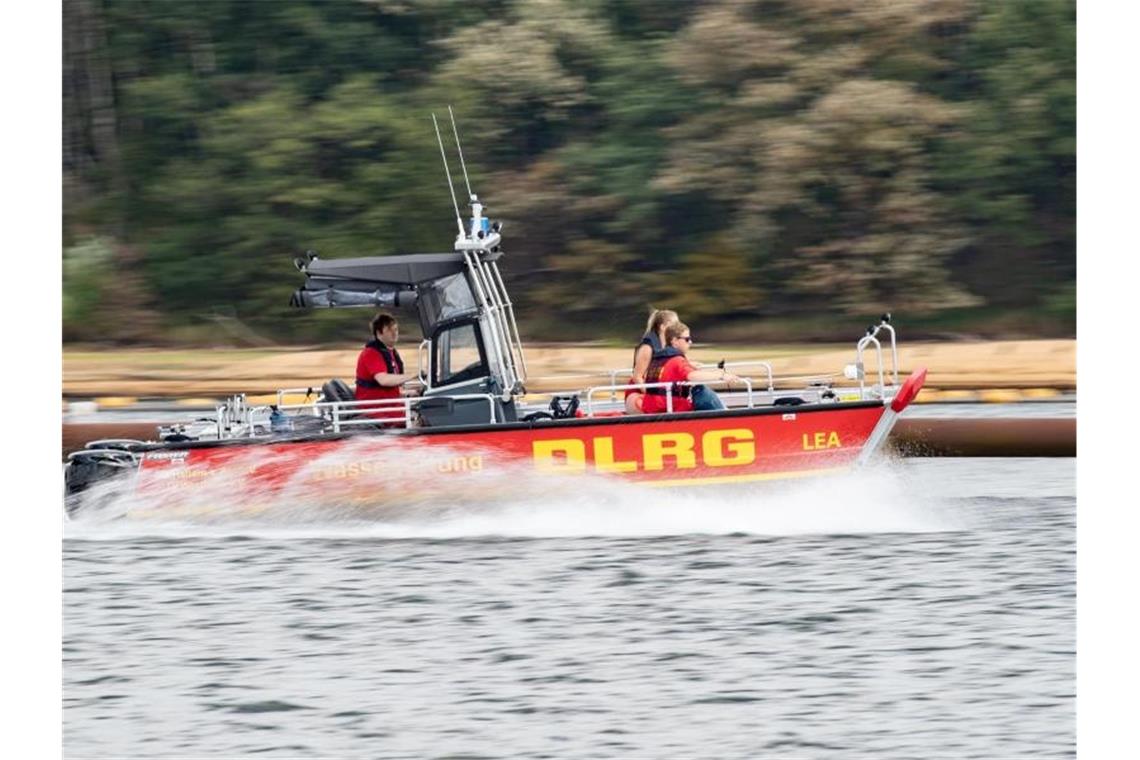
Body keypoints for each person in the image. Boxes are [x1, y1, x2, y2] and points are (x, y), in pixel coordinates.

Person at [640, 322, 742, 414]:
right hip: (672, 411)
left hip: (653, 410)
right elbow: (692, 376)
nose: (690, 342)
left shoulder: (657, 361)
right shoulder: (677, 361)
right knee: (700, 390)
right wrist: (722, 375)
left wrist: (689, 364)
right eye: (687, 339)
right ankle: (726, 418)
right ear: (674, 341)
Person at [355, 312, 420, 421]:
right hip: (377, 412)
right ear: (379, 333)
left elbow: (389, 389)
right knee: (422, 419)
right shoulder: (371, 353)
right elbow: (383, 380)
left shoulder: (389, 352)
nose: (394, 333)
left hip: (389, 408)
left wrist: (411, 393)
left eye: (396, 330)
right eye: (389, 330)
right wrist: (412, 375)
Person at [625, 309, 679, 414]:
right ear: (663, 327)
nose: (677, 328)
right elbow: (637, 377)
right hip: (641, 391)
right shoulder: (647, 348)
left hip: (659, 390)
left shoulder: (668, 346)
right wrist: (653, 396)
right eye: (674, 325)